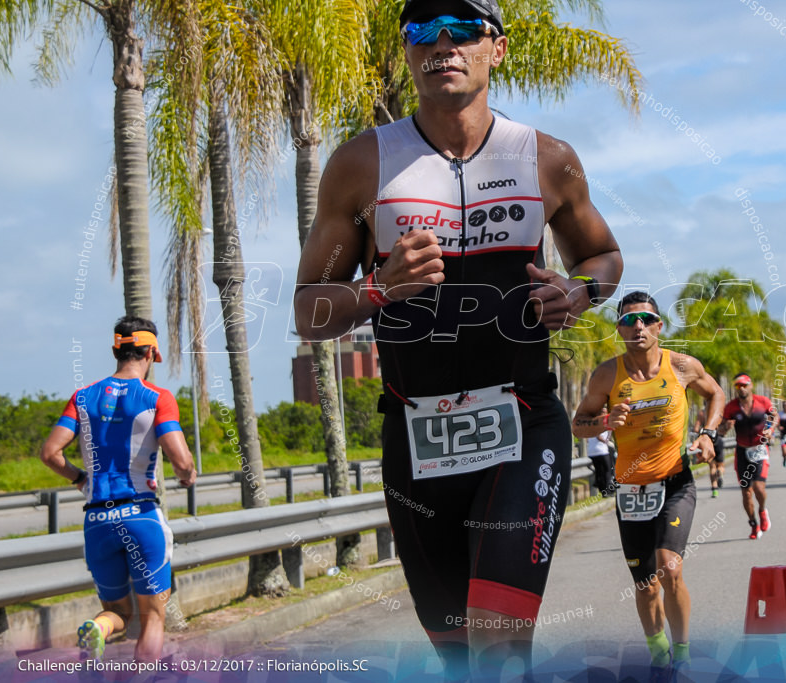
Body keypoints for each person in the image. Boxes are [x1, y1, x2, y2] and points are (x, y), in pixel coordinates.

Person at [292, 0, 623, 676]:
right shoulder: (362, 165)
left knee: (499, 642)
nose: (442, 43)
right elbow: (309, 311)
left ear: (495, 49)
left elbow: (603, 258)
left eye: (464, 29)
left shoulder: (547, 160)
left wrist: (579, 291)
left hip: (525, 424)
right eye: (422, 31)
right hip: (416, 443)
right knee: (460, 657)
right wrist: (377, 289)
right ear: (409, 53)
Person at [572, 292, 725, 669]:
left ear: (658, 325)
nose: (636, 327)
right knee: (645, 583)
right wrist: (606, 422)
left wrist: (708, 433)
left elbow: (716, 394)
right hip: (630, 490)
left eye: (645, 319)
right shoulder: (607, 374)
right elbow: (578, 424)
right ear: (619, 330)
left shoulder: (682, 366)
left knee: (669, 568)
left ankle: (684, 656)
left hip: (675, 482)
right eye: (627, 321)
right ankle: (660, 655)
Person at [38, 317, 196, 662]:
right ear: (152, 352)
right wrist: (188, 474)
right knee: (153, 615)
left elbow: (50, 453)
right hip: (141, 517)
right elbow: (181, 460)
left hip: (97, 521)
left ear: (116, 349)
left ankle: (98, 629)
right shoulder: (158, 397)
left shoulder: (82, 397)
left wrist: (81, 480)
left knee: (118, 614)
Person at [720, 374, 778, 540]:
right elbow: (721, 430)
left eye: (744, 385)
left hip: (759, 449)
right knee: (746, 493)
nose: (742, 389)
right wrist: (726, 426)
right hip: (742, 451)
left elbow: (774, 416)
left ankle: (762, 510)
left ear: (750, 385)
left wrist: (770, 429)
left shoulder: (763, 402)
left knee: (759, 487)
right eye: (738, 386)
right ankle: (753, 524)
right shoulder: (731, 407)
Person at [696, 407, 726, 497]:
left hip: (707, 442)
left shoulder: (702, 413)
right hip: (718, 439)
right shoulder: (719, 410)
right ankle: (720, 473)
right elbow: (727, 425)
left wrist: (702, 433)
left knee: (712, 466)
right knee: (720, 465)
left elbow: (696, 428)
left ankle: (714, 490)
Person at [586, 430, 615, 496]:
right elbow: (598, 436)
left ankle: (601, 489)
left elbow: (587, 439)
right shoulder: (601, 424)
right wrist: (605, 441)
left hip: (591, 451)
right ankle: (607, 490)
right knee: (607, 470)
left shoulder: (590, 425)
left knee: (599, 471)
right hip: (601, 450)